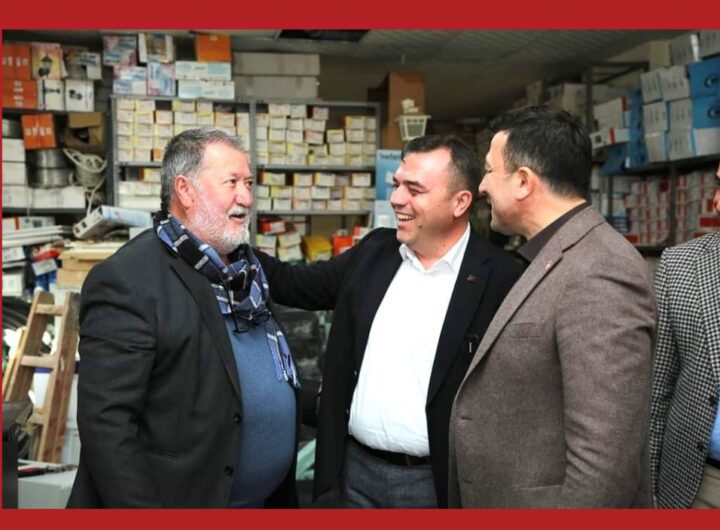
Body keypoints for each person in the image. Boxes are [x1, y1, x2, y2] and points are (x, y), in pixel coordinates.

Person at [255, 134, 522, 508]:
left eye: (414, 189)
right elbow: (294, 284)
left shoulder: (502, 278)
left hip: (435, 486)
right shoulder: (376, 251)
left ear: (460, 202)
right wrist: (226, 244)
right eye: (397, 184)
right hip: (352, 476)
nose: (397, 198)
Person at [67, 128, 300, 508]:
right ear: (185, 190)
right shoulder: (128, 280)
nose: (246, 198)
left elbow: (240, 378)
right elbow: (107, 426)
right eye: (232, 183)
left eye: (248, 183)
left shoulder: (245, 273)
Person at [448, 105, 656, 508]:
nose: (482, 186)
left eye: (489, 171)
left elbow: (604, 466)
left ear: (524, 182)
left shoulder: (600, 270)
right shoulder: (553, 254)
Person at [651, 161, 720, 509]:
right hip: (699, 483)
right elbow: (657, 389)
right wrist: (648, 490)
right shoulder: (679, 265)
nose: (717, 202)